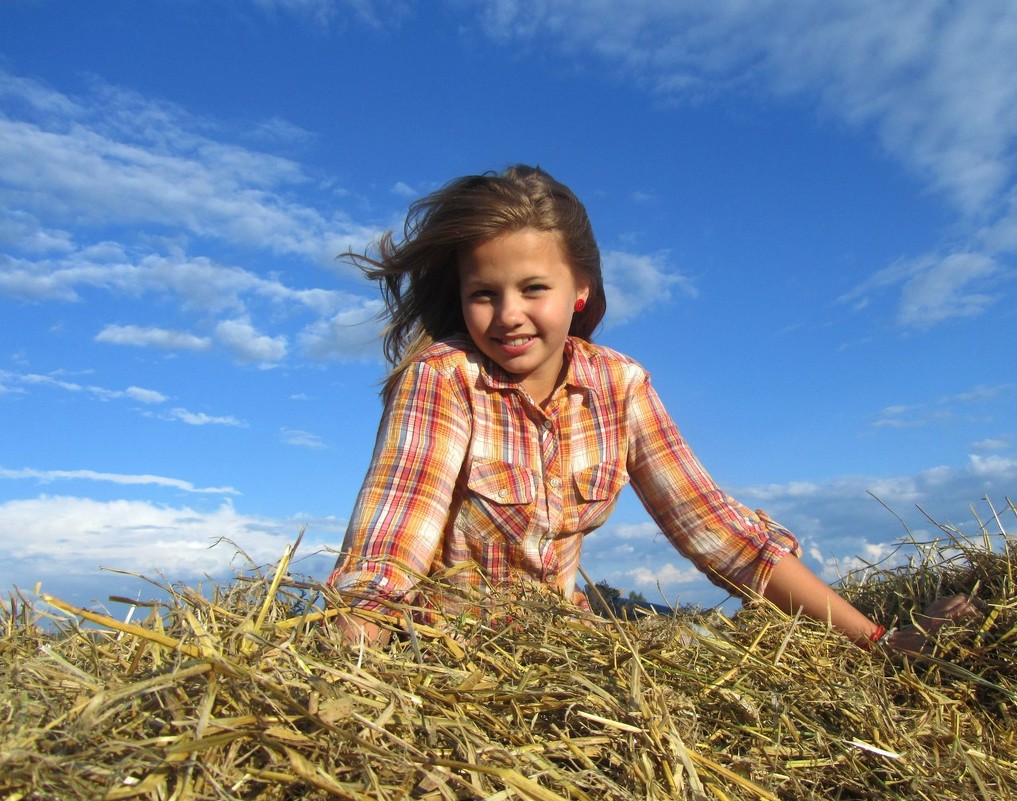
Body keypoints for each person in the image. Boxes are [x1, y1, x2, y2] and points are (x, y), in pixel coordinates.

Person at [327, 164, 974, 651]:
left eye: (532, 288)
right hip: (441, 651)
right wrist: (349, 663)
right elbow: (391, 546)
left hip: (559, 649)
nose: (507, 315)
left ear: (579, 288)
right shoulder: (442, 378)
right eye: (483, 293)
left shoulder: (620, 385)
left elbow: (715, 531)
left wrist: (879, 642)